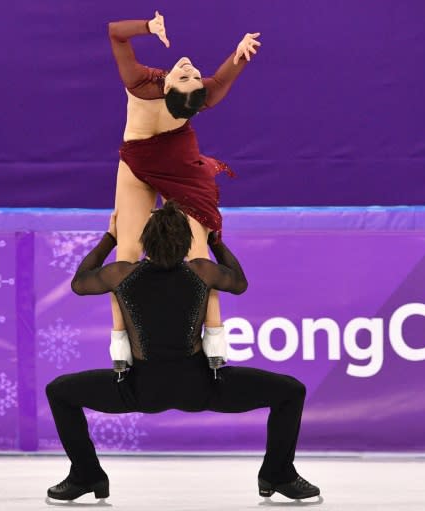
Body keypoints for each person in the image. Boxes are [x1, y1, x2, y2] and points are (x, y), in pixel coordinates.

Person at [45, 202, 321, 503]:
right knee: (291, 392)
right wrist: (216, 241)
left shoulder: (121, 274)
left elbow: (79, 282)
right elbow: (239, 282)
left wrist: (110, 238)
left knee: (59, 392)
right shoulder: (202, 272)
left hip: (139, 389)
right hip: (201, 386)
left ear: (145, 241)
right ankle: (276, 474)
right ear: (187, 243)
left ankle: (87, 475)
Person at [107, 11, 262, 373]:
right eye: (190, 75)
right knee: (127, 249)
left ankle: (215, 338)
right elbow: (116, 33)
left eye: (190, 76)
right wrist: (147, 27)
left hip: (181, 166)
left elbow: (220, 80)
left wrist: (239, 54)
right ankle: (119, 339)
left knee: (196, 255)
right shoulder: (149, 84)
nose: (191, 68)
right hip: (137, 162)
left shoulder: (156, 84)